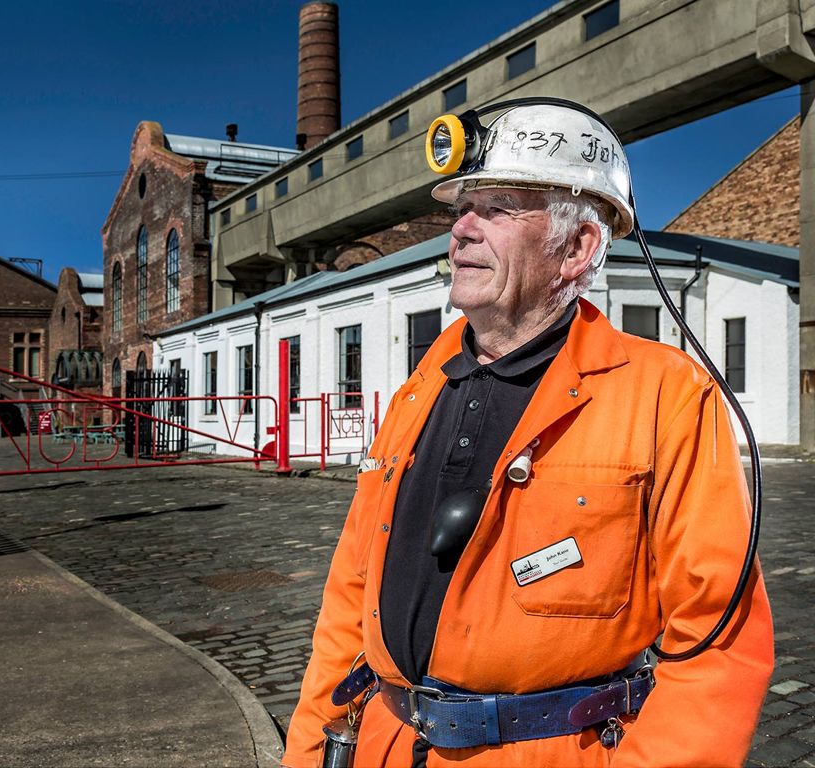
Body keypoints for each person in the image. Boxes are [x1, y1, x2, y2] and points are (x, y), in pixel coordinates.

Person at [282, 103, 774, 768]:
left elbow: (719, 645)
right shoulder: (416, 394)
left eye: (500, 208)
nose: (461, 231)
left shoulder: (667, 396)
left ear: (576, 249)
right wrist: (312, 747)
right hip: (387, 744)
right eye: (463, 207)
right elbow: (349, 598)